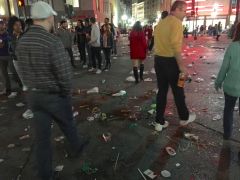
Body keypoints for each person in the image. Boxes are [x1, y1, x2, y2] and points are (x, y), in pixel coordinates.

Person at [15, 2, 88, 179]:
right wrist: (66, 91)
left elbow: (19, 69)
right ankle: (76, 147)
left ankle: (45, 175)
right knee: (68, 123)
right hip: (53, 95)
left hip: (33, 95)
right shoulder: (51, 41)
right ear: (48, 17)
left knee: (42, 140)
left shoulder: (22, 41)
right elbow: (64, 73)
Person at [153, 0, 196, 132]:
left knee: (162, 91)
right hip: (171, 62)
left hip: (158, 60)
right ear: (177, 9)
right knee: (179, 90)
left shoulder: (162, 22)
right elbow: (175, 47)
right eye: (184, 11)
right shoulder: (177, 23)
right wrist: (182, 66)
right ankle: (184, 117)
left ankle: (159, 121)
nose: (185, 14)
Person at [215, 22, 240, 140]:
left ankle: (227, 134)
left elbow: (224, 67)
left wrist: (218, 81)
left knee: (228, 110)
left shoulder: (233, 47)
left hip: (231, 85)